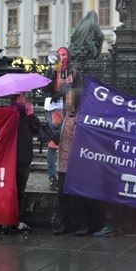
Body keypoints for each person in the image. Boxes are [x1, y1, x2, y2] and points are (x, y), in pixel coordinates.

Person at [51, 89, 90, 235]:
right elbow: (58, 137)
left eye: (69, 99)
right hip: (63, 163)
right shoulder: (65, 117)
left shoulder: (81, 118)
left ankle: (83, 224)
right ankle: (64, 223)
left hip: (77, 163)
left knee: (79, 196)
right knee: (62, 195)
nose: (66, 102)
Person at [2, 92, 41, 235]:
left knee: (20, 191)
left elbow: (36, 130)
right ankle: (6, 219)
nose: (23, 99)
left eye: (24, 97)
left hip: (23, 158)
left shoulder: (27, 115)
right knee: (9, 191)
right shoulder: (9, 114)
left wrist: (31, 115)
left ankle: (18, 219)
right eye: (20, 97)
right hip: (10, 158)